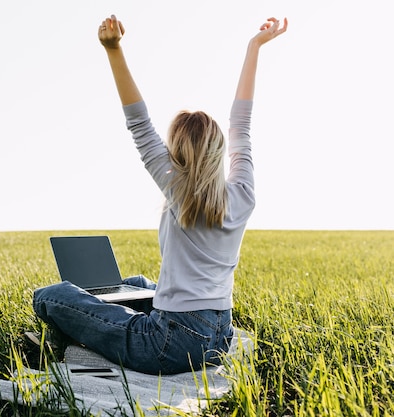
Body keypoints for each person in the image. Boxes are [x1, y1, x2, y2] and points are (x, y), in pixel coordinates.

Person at [32, 15, 288, 375]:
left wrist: (113, 49)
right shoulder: (243, 192)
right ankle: (108, 307)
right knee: (133, 285)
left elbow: (139, 124)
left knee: (50, 296)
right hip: (219, 333)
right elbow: (241, 124)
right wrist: (254, 47)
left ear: (176, 153)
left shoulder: (176, 187)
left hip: (170, 343)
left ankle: (73, 334)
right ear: (220, 149)